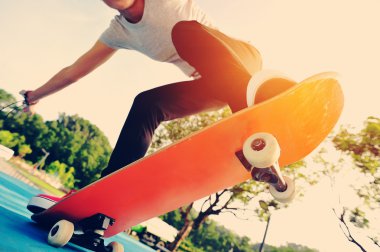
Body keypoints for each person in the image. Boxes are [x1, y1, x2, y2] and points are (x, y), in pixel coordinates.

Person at [26, 0, 264, 213]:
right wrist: (34, 95)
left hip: (242, 61)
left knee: (184, 32)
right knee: (147, 105)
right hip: (215, 88)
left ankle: (255, 123)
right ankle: (106, 195)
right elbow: (72, 73)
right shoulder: (119, 31)